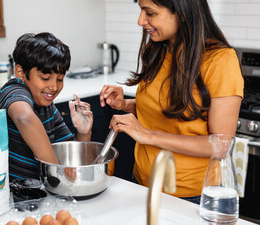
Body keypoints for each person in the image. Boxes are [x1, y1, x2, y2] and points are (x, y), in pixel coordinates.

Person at [99, 0, 243, 204]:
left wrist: (148, 135)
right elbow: (171, 111)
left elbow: (220, 145)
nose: (141, 21)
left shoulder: (220, 61)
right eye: (141, 11)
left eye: (150, 13)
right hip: (142, 184)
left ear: (182, 12)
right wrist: (127, 105)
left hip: (191, 197)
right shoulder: (159, 49)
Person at [0, 32, 93, 180]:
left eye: (60, 79)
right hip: (10, 197)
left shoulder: (46, 107)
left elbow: (70, 161)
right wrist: (59, 173)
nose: (53, 87)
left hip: (39, 196)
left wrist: (84, 133)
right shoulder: (14, 90)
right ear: (20, 72)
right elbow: (24, 117)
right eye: (45, 78)